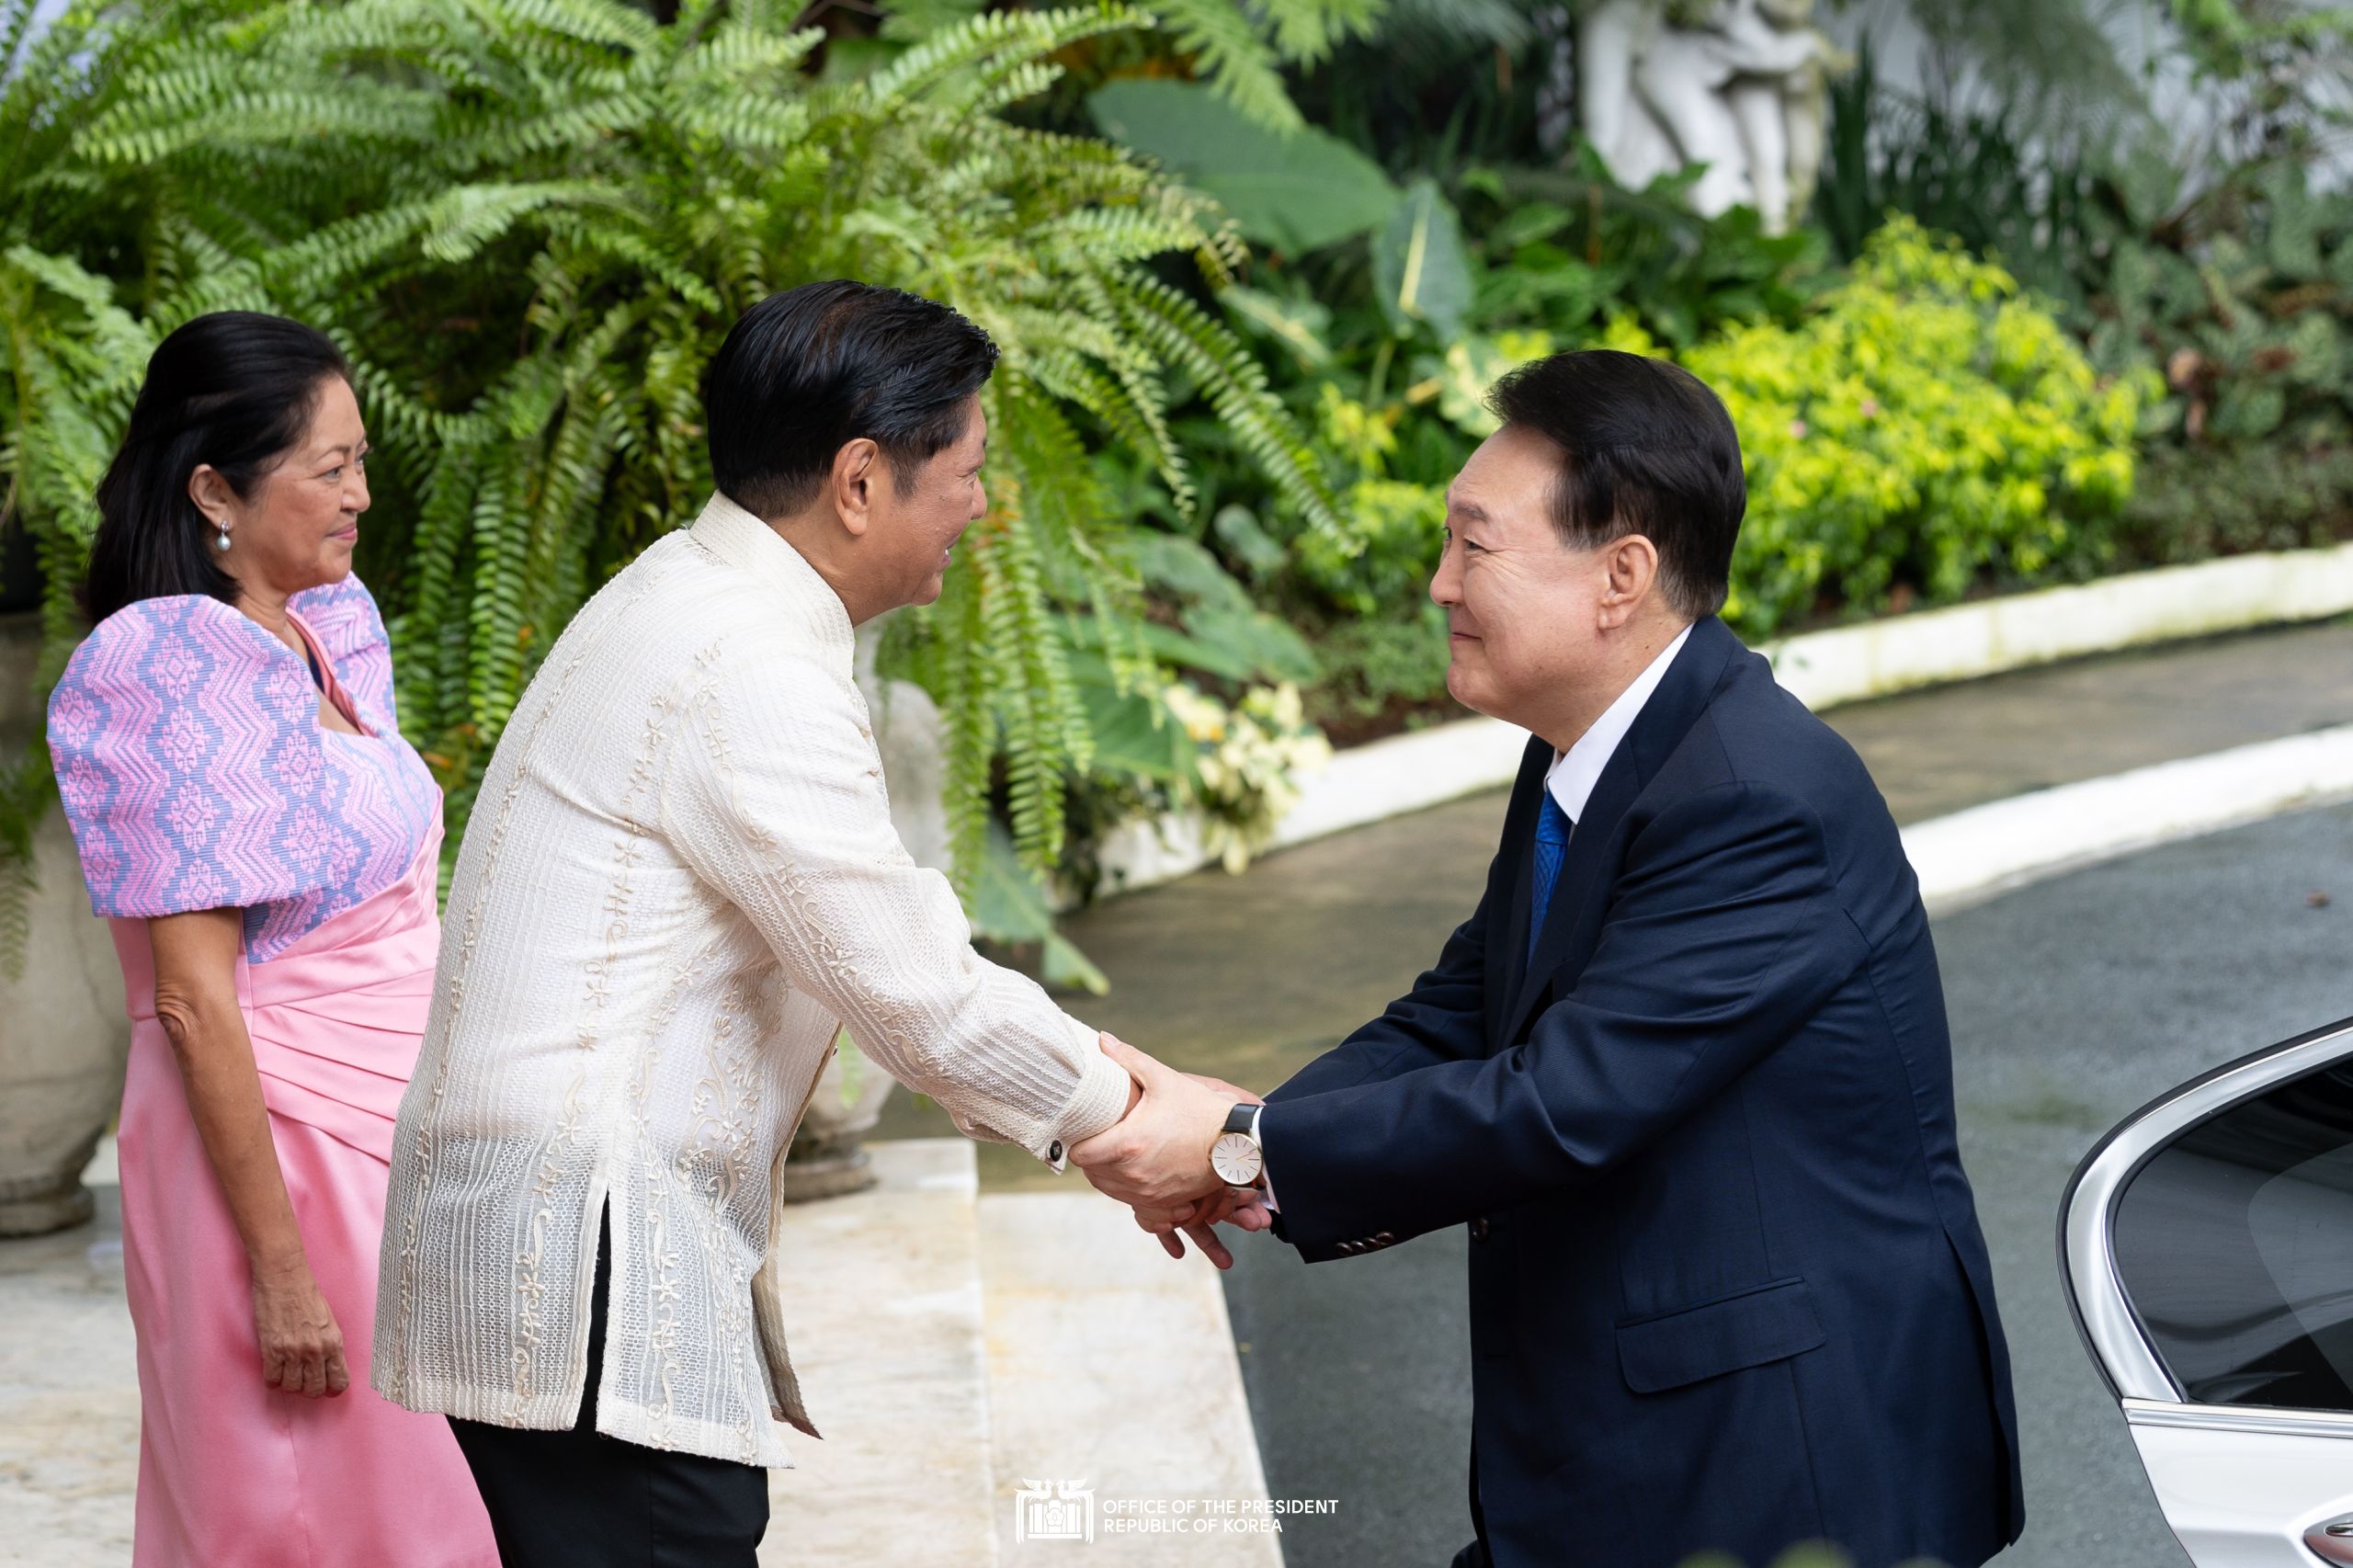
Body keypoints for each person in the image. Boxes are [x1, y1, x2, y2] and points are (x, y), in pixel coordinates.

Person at [1075, 350, 2025, 1568]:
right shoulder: (1594, 747)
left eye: (1475, 546)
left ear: (1621, 574)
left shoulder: (1754, 796)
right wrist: (1250, 1141)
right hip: (1648, 1441)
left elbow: (1563, 1098)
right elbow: (1468, 1007)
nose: (1438, 583)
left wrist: (1239, 1139)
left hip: (1777, 1465)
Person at [372, 279, 1182, 1568]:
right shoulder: (745, 661)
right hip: (583, 1244)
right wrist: (1137, 1117)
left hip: (561, 1232)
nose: (982, 503)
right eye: (968, 468)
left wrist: (1101, 1095)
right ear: (861, 481)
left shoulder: (695, 595)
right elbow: (910, 985)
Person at [44, 312, 495, 1567]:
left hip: (382, 1127)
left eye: (361, 459)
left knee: (411, 1503)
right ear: (213, 489)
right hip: (279, 1152)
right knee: (316, 1510)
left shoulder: (327, 625)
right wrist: (279, 1272)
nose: (362, 492)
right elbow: (192, 998)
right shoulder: (165, 664)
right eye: (330, 466)